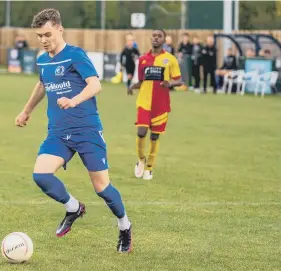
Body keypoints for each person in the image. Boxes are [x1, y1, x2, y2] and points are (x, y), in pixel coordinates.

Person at [15, 8, 133, 253]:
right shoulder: (43, 59)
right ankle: (73, 208)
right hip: (58, 132)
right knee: (41, 175)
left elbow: (95, 85)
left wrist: (74, 100)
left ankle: (124, 226)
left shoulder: (75, 55)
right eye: (39, 36)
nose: (44, 40)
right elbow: (42, 84)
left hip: (87, 131)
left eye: (47, 34)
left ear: (60, 28)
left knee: (103, 189)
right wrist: (26, 111)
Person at [127, 29, 183, 180]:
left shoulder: (170, 59)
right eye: (154, 36)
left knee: (154, 136)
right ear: (150, 39)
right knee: (141, 132)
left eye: (159, 36)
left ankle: (149, 167)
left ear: (164, 40)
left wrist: (169, 82)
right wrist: (132, 87)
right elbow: (141, 81)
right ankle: (140, 159)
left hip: (161, 104)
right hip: (144, 101)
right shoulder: (143, 59)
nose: (156, 38)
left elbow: (179, 80)